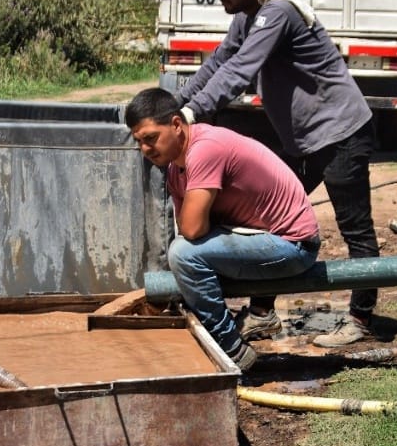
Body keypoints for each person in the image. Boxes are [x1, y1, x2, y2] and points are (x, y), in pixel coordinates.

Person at [175, 0, 379, 348]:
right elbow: (219, 61)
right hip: (303, 140)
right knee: (265, 217)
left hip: (340, 133)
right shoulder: (250, 15)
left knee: (355, 228)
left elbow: (239, 70)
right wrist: (178, 104)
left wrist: (194, 113)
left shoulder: (278, 12)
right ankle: (263, 314)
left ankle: (360, 317)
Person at [125, 87, 321, 370]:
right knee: (187, 256)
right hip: (260, 238)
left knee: (184, 255)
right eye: (139, 142)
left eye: (151, 139)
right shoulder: (175, 166)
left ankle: (231, 348)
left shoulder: (205, 150)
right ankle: (224, 326)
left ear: (177, 125)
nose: (145, 149)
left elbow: (191, 230)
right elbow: (192, 227)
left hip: (294, 245)